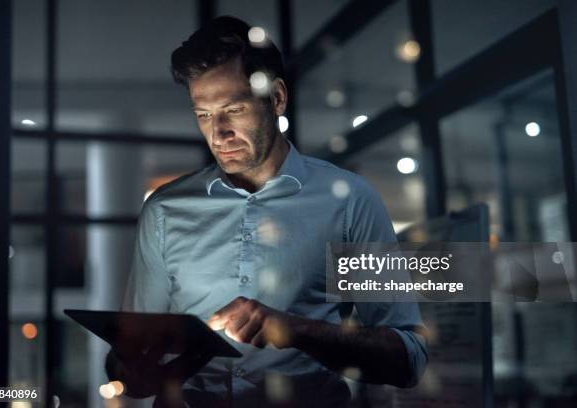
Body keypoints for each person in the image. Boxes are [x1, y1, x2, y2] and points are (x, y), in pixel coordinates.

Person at [106, 15, 427, 408]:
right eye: (203, 115)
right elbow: (131, 363)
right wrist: (128, 370)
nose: (218, 133)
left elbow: (408, 359)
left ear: (276, 98)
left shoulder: (349, 202)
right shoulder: (165, 210)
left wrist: (294, 330)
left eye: (234, 109)